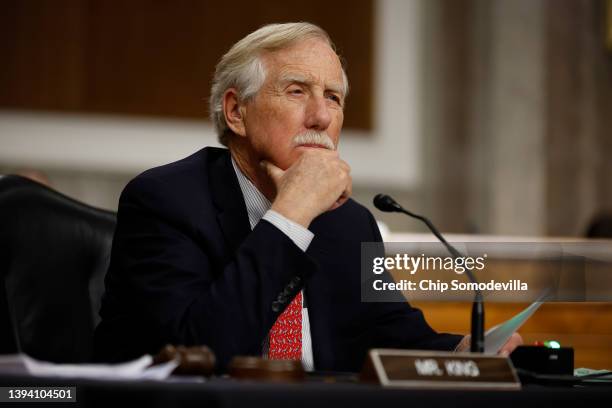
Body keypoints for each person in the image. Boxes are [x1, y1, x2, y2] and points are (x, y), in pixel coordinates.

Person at [94, 22, 521, 371]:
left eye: (333, 98)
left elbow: (389, 331)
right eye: (297, 91)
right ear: (236, 112)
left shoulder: (349, 222)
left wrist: (459, 352)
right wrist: (290, 215)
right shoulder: (165, 201)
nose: (320, 117)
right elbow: (196, 354)